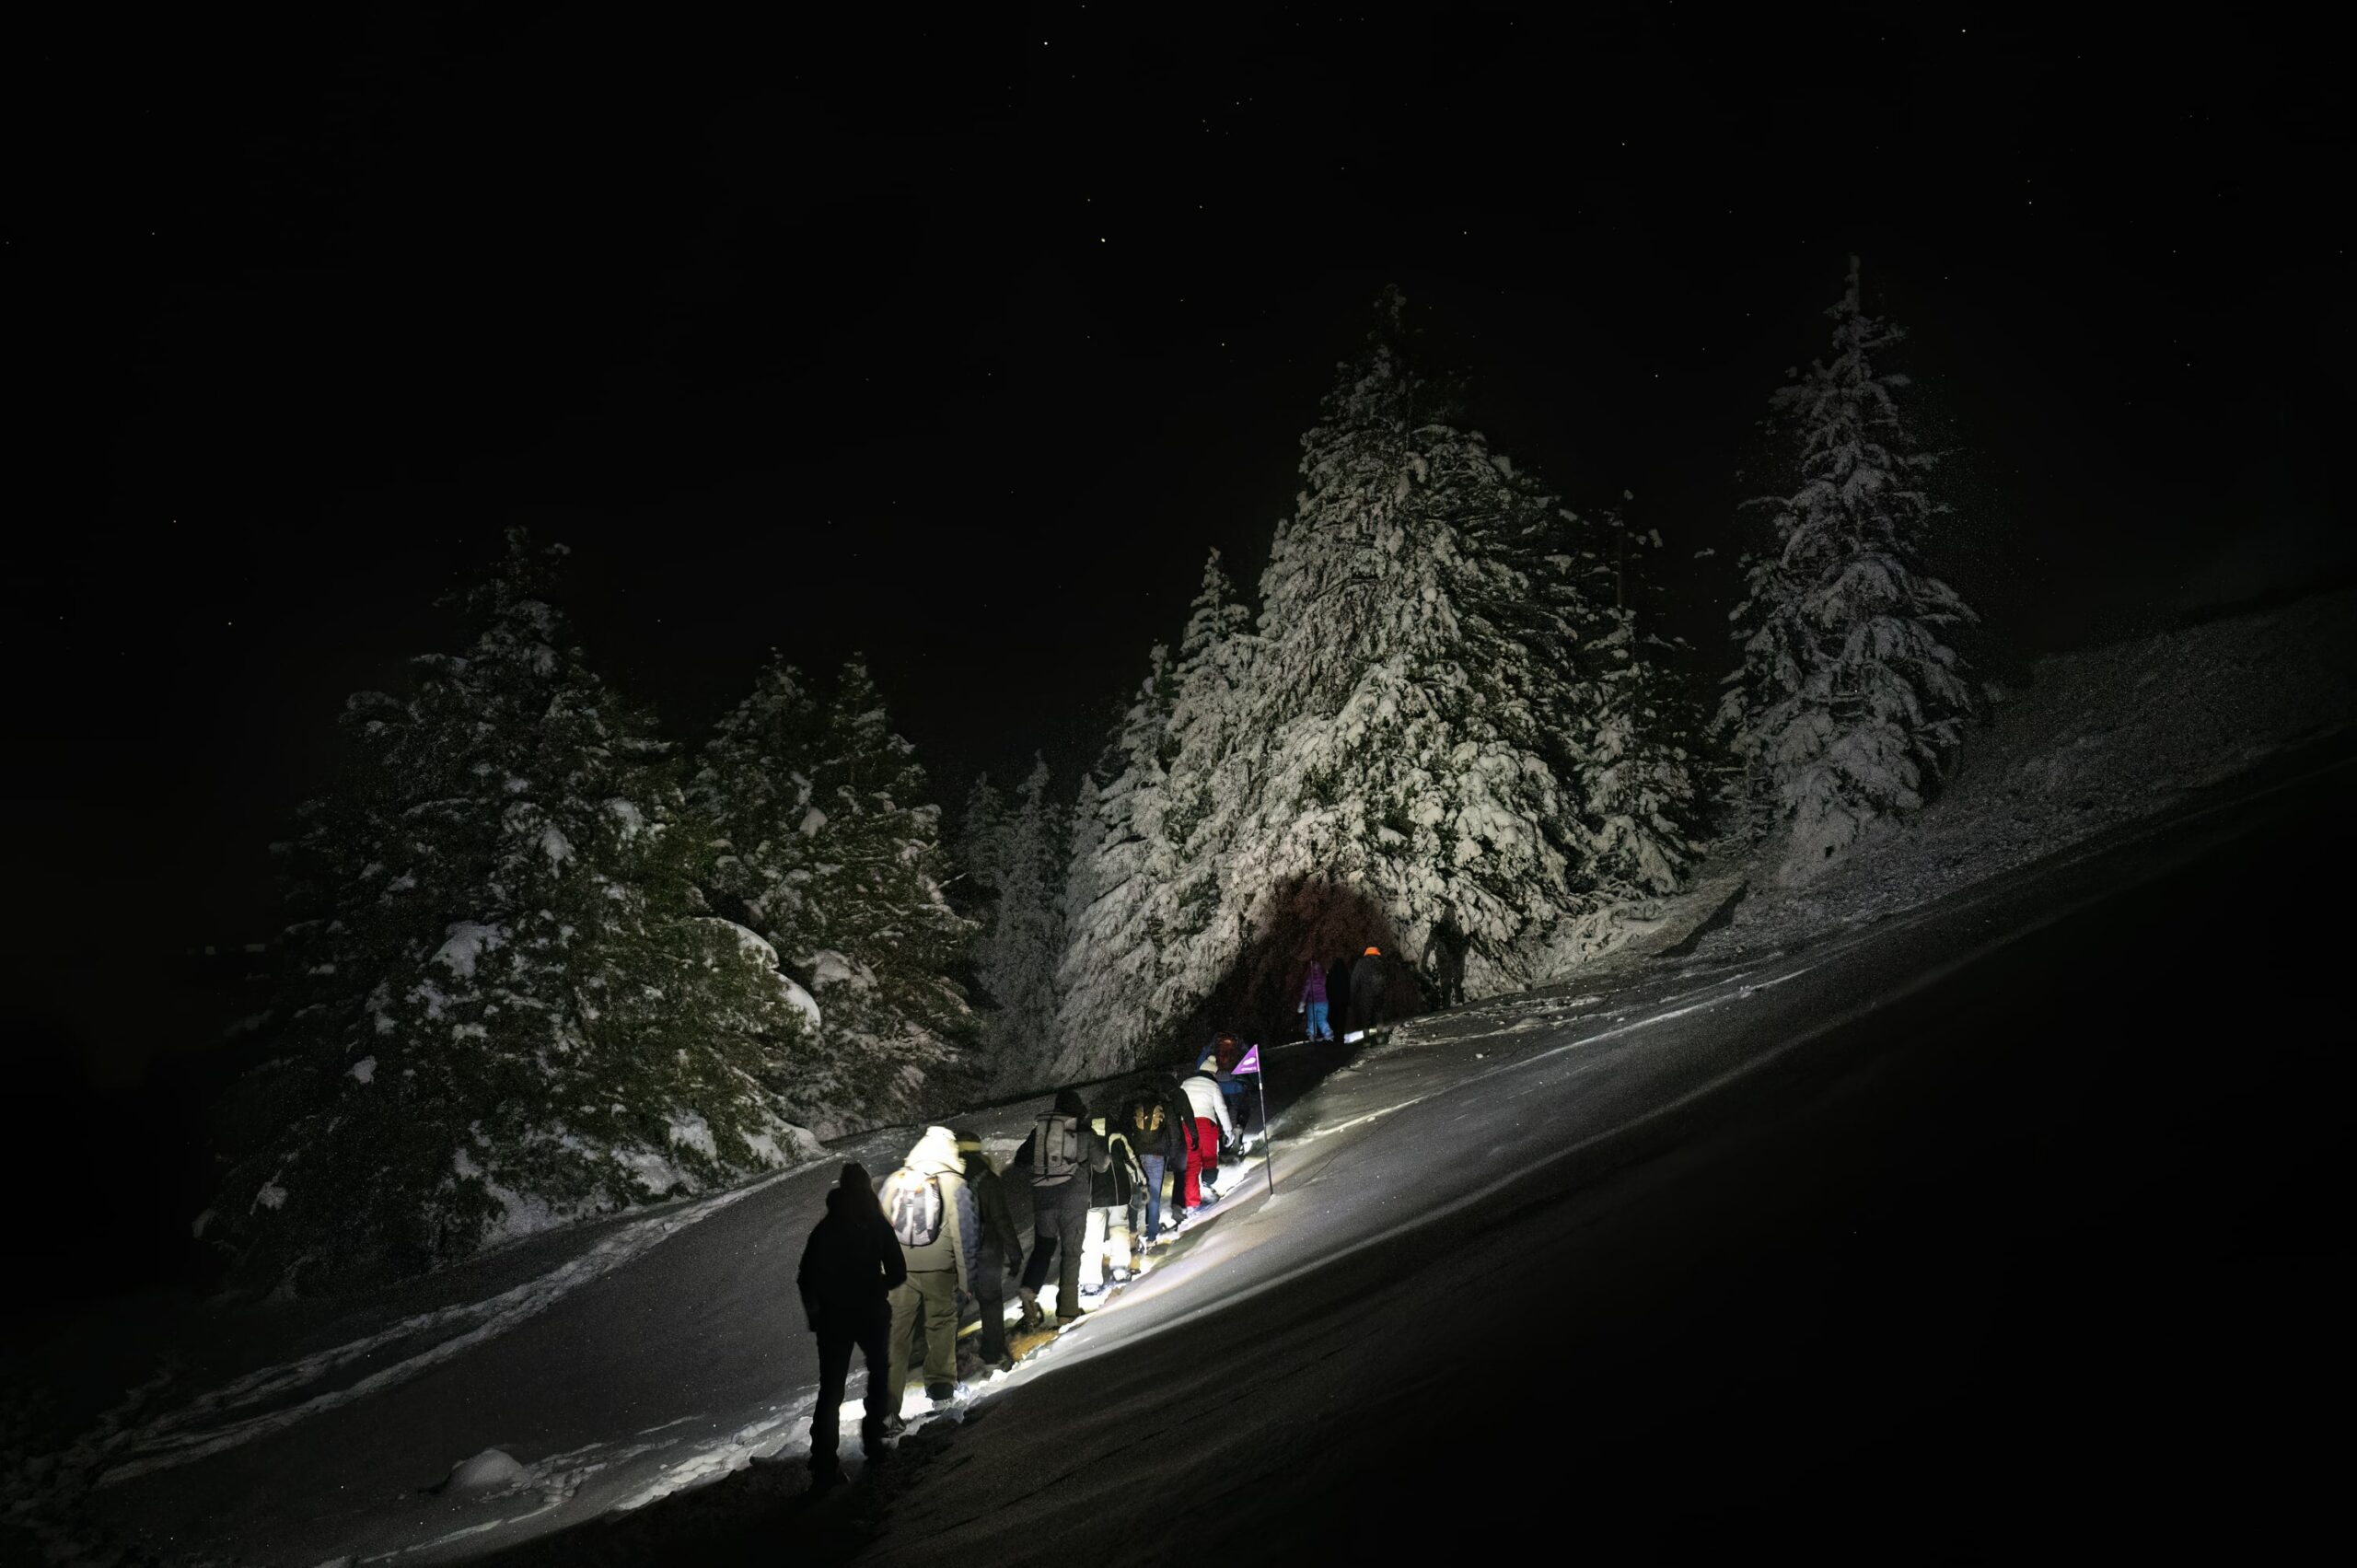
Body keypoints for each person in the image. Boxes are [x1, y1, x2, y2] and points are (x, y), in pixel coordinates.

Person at [796, 1163, 907, 1484]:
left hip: (834, 1319)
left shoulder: (825, 1229)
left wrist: (815, 1315)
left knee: (831, 1391)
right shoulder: (877, 1224)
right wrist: (878, 1286)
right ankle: (873, 1443)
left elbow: (805, 1278)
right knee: (878, 1373)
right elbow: (898, 1271)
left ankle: (824, 1465)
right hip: (872, 1313)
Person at [880, 1126, 979, 1411]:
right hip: (939, 1271)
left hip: (899, 1273)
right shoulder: (955, 1183)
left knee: (897, 1335)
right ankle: (941, 1391)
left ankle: (887, 1406)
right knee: (941, 1328)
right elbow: (965, 1236)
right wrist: (966, 1280)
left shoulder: (895, 1181)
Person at [1014, 1088, 1110, 1330]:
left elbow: (1021, 1159)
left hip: (1043, 1199)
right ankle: (1067, 1312)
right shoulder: (1084, 1131)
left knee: (1043, 1248)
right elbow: (1102, 1164)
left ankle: (1028, 1291)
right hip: (1073, 1203)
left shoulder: (1041, 1131)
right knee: (1071, 1253)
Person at [953, 1128, 1024, 1374]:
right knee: (991, 1301)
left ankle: (944, 1367)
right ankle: (993, 1354)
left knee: (952, 1308)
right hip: (989, 1251)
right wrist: (1014, 1255)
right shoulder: (989, 1179)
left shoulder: (944, 1179)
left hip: (956, 1254)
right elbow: (1002, 1219)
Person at [1081, 1115, 1147, 1295]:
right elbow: (1131, 1162)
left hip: (1093, 1196)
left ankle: (1090, 1281)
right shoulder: (1118, 1137)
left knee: (1092, 1237)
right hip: (1119, 1194)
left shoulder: (1084, 1138)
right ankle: (1119, 1268)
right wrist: (1142, 1182)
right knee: (1119, 1228)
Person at [1117, 1077, 1184, 1246]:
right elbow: (1174, 1132)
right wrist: (1173, 1155)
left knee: (1138, 1194)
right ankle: (1152, 1235)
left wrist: (1127, 1154)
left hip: (1136, 1155)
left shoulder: (1131, 1106)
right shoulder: (1163, 1105)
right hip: (1157, 1155)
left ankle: (1136, 1233)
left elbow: (1122, 1130)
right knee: (1154, 1195)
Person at [1179, 1060, 1236, 1205]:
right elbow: (1221, 1109)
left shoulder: (1186, 1083)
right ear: (1212, 1072)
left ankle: (1192, 1202)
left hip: (1187, 1125)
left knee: (1192, 1164)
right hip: (1206, 1126)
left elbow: (1177, 1105)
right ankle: (1207, 1187)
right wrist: (1228, 1131)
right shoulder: (1213, 1085)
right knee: (1209, 1158)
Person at [1348, 944, 1389, 1038]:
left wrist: (1352, 995)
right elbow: (1387, 978)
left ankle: (1366, 1041)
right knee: (1379, 1014)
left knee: (1366, 1016)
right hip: (1379, 992)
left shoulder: (1361, 962)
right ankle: (1379, 1036)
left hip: (1366, 993)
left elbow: (1355, 979)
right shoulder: (1381, 963)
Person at [1300, 959, 1333, 1041]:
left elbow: (1305, 991)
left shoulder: (1309, 979)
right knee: (1322, 1020)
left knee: (1312, 1021)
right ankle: (1328, 1035)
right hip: (1324, 1002)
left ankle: (1311, 1036)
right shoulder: (1324, 977)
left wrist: (1302, 1003)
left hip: (1312, 1003)